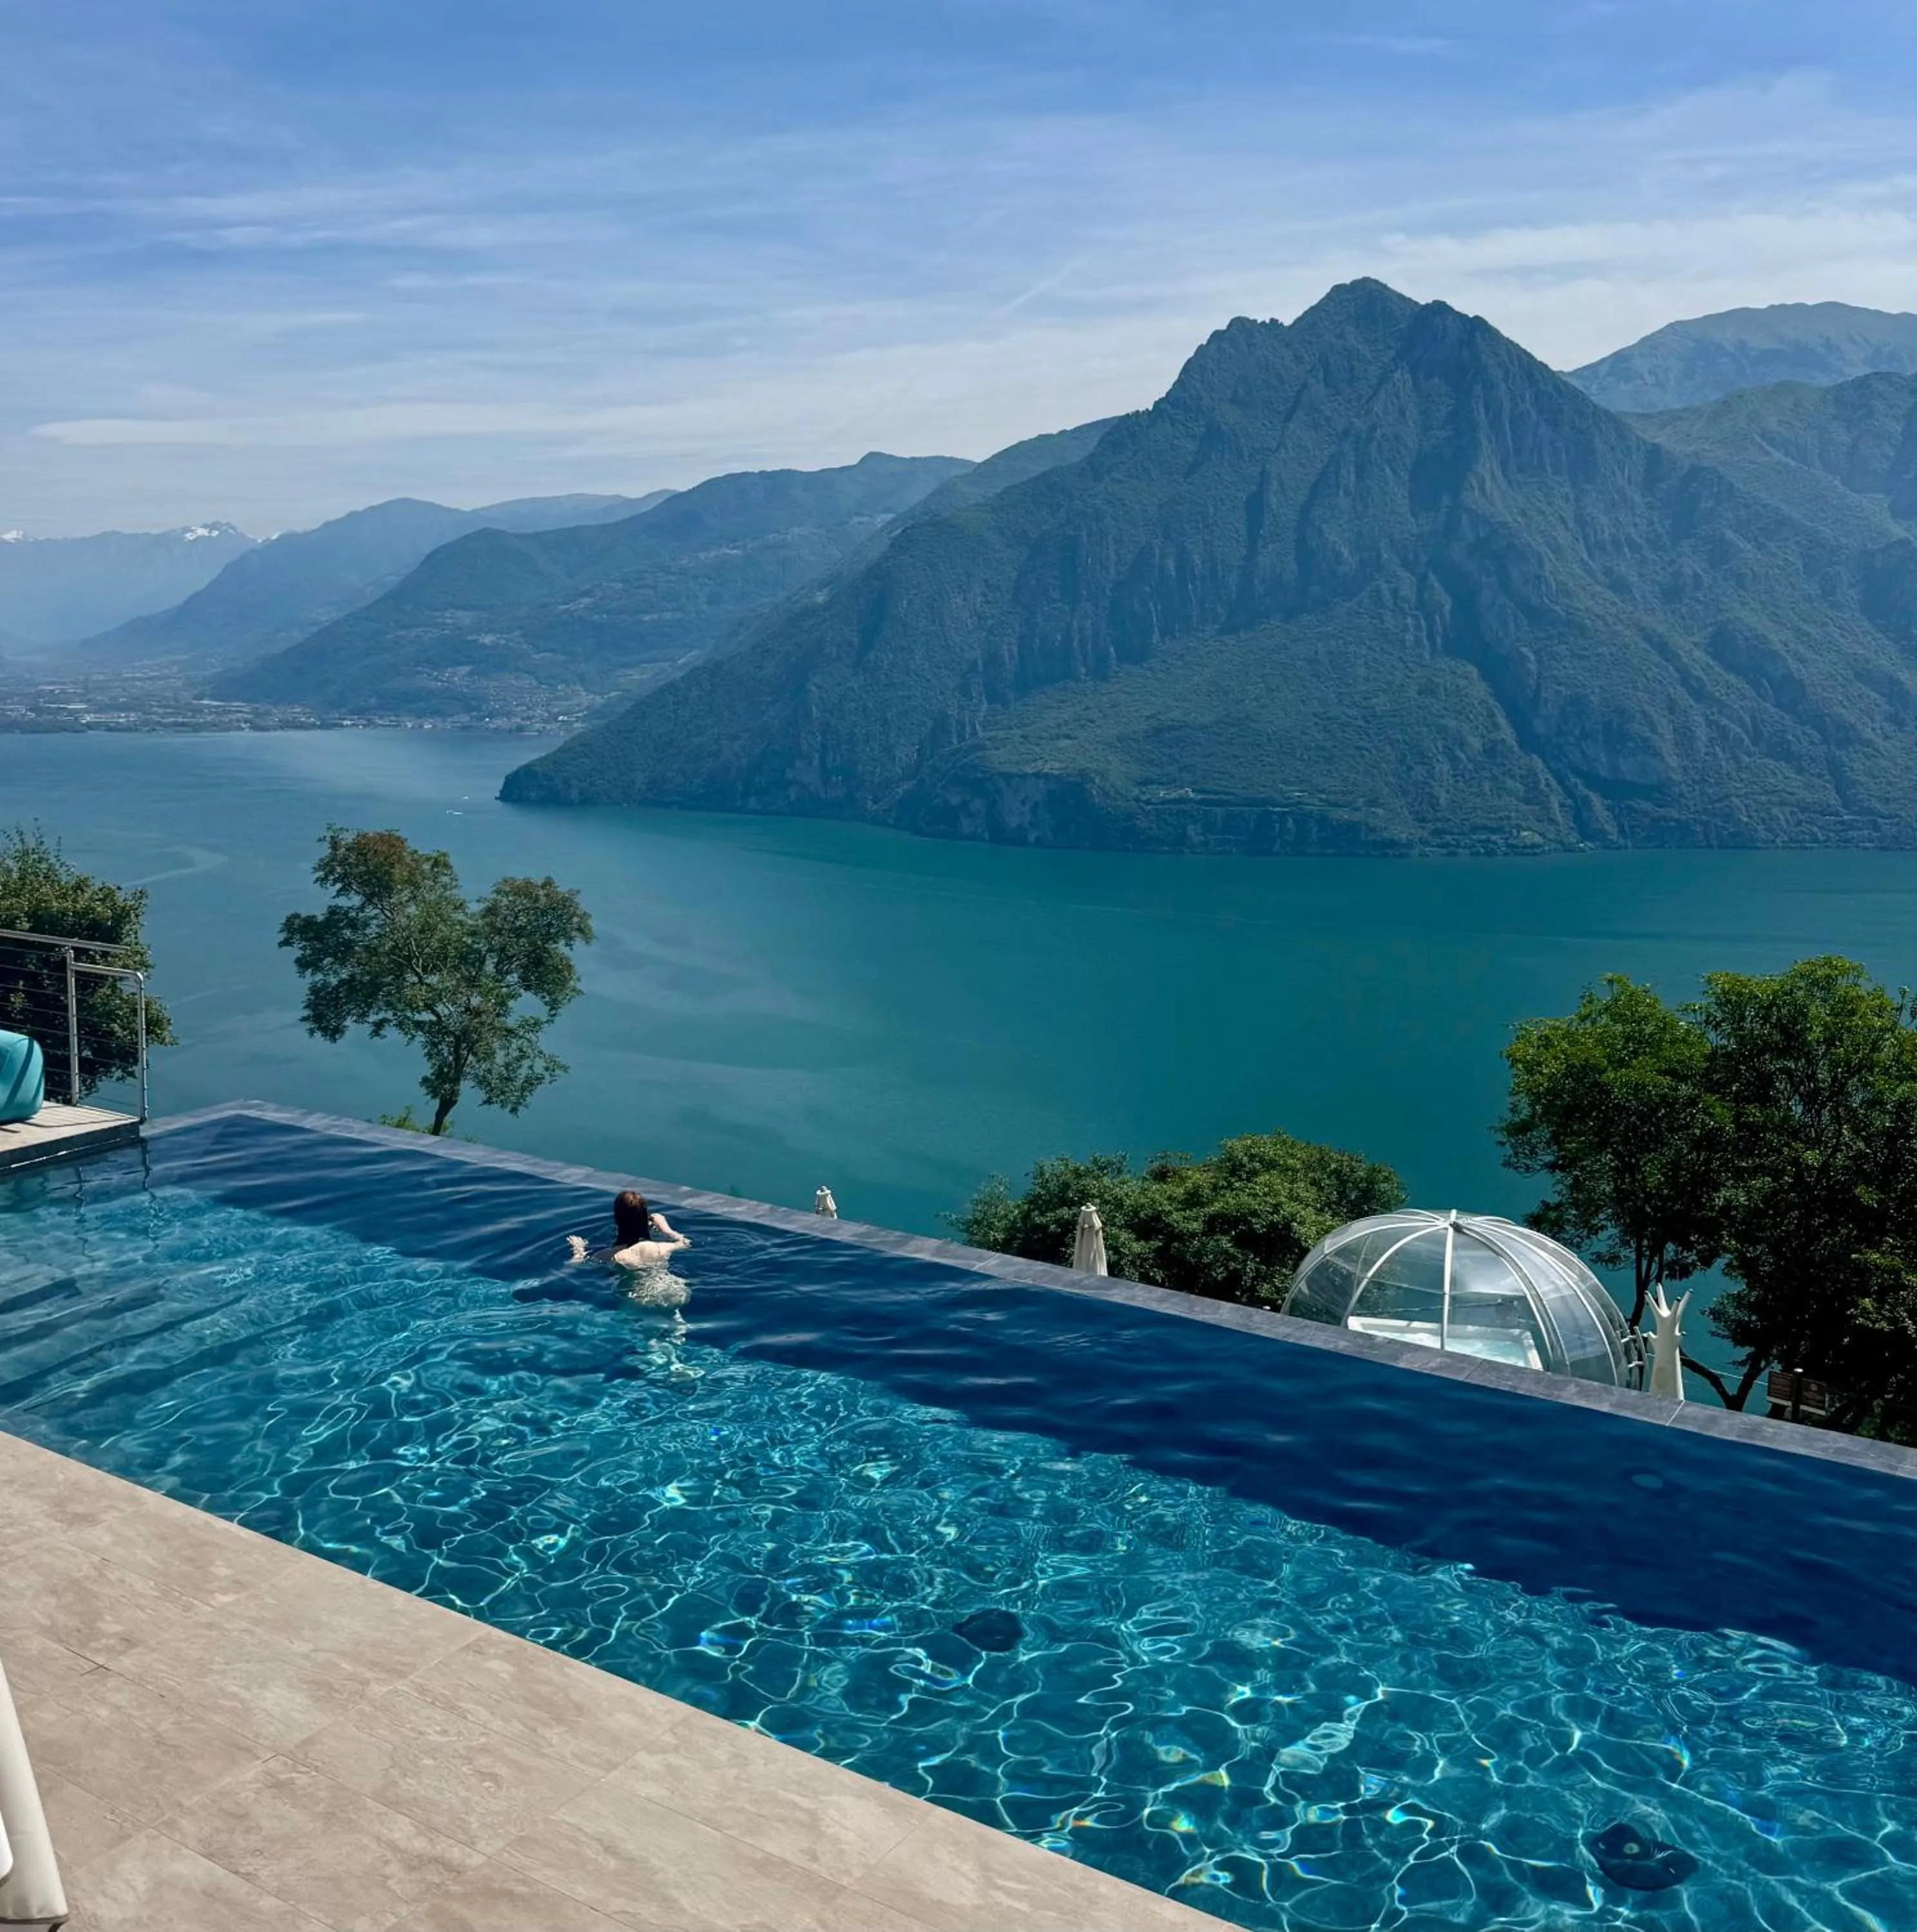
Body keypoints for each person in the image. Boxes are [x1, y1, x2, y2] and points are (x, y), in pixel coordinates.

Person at [567, 1189, 692, 1271]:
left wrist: (578, 1249)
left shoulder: (608, 1255)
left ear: (617, 1220)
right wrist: (666, 1230)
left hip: (637, 1299)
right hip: (674, 1289)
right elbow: (686, 1243)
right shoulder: (660, 1248)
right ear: (646, 1219)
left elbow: (576, 1266)